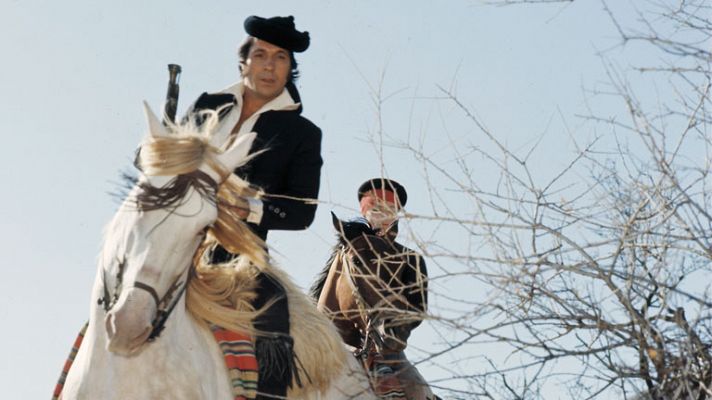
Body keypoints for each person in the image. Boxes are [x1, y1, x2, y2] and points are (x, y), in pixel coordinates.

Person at [183, 15, 321, 399]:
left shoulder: (304, 134)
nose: (269, 66)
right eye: (260, 54)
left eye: (281, 58)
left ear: (291, 69)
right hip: (176, 235)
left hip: (238, 254)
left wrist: (250, 207)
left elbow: (303, 210)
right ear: (243, 61)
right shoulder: (206, 105)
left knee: (273, 308)